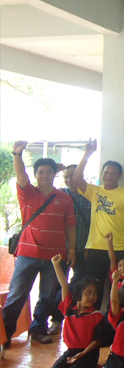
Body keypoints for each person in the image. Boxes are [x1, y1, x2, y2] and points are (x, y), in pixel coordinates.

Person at [3, 141, 77, 346]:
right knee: (17, 296)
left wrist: (72, 250)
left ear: (54, 174)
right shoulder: (28, 193)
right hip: (27, 254)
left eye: (48, 172)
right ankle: (4, 335)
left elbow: (70, 226)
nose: (44, 175)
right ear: (35, 174)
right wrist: (17, 153)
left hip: (55, 257)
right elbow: (20, 175)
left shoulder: (65, 198)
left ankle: (38, 329)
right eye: (40, 172)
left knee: (47, 296)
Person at [73, 140, 124, 309]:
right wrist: (87, 155)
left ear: (119, 175)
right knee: (95, 285)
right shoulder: (95, 191)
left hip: (121, 246)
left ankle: (115, 319)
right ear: (101, 173)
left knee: (121, 285)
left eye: (113, 173)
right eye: (106, 172)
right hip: (97, 247)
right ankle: (94, 317)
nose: (109, 175)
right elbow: (76, 179)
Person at [48, 163, 93, 336]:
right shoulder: (58, 196)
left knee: (77, 284)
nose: (69, 180)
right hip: (61, 250)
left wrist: (90, 247)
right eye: (66, 176)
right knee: (56, 285)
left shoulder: (90, 196)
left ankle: (75, 315)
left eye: (72, 176)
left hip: (83, 249)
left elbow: (94, 225)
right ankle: (56, 320)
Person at [48, 255, 106, 368]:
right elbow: (64, 285)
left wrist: (83, 354)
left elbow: (98, 341)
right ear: (79, 294)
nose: (92, 297)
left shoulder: (97, 316)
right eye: (88, 293)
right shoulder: (69, 308)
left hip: (88, 353)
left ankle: (88, 366)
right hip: (71, 351)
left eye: (95, 293)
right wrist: (56, 265)